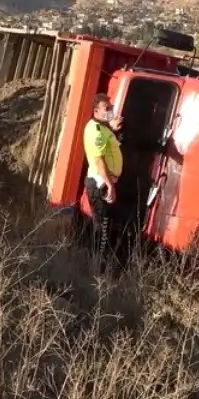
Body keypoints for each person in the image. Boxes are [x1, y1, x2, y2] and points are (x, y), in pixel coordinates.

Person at [82, 93, 125, 268]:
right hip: (100, 184)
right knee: (101, 226)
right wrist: (110, 185)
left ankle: (99, 262)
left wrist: (112, 126)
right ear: (96, 111)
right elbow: (99, 160)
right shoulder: (95, 130)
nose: (110, 111)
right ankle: (95, 266)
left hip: (103, 183)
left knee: (104, 224)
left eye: (111, 108)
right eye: (106, 109)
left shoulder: (102, 126)